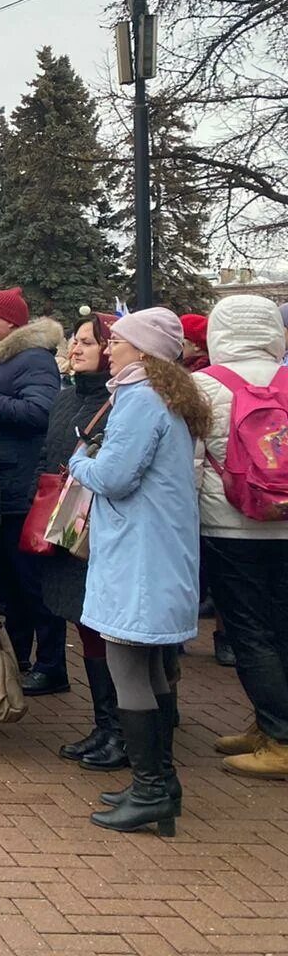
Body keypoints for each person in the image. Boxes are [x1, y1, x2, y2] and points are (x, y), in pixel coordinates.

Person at [68, 308, 209, 836]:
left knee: (129, 665)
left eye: (118, 342)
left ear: (145, 350)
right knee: (152, 667)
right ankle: (160, 783)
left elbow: (113, 475)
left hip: (138, 557)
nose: (109, 349)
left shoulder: (139, 399)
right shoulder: (166, 397)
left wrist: (79, 459)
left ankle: (150, 788)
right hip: (157, 551)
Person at [193, 294, 288, 778]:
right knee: (282, 626)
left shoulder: (204, 386)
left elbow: (189, 462)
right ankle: (269, 724)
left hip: (230, 525)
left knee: (250, 631)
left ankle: (280, 736)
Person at [36, 314, 121, 768]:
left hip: (101, 529)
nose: (77, 348)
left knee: (108, 628)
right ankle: (105, 724)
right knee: (84, 624)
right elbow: (50, 455)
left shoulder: (121, 402)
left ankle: (123, 729)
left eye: (88, 342)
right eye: (75, 342)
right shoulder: (65, 399)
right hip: (66, 525)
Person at [0, 287, 66, 694]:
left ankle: (51, 665)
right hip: (2, 488)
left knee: (31, 583)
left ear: (11, 323)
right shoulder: (1, 361)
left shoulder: (34, 360)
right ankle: (17, 657)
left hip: (21, 487)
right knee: (6, 583)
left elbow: (39, 412)